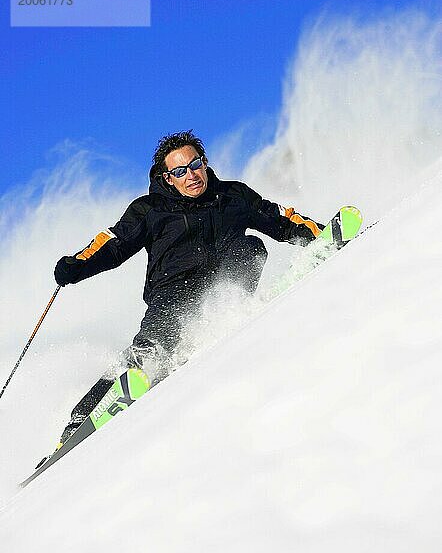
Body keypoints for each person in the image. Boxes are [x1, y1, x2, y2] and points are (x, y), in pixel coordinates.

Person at [53, 130, 324, 448]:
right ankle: (77, 426)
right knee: (150, 349)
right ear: (168, 178)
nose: (191, 175)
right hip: (172, 294)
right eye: (180, 171)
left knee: (251, 247)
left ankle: (231, 315)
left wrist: (322, 238)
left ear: (205, 163)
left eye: (195, 165)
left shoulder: (233, 196)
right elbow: (114, 243)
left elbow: (281, 219)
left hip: (223, 289)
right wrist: (77, 265)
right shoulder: (150, 210)